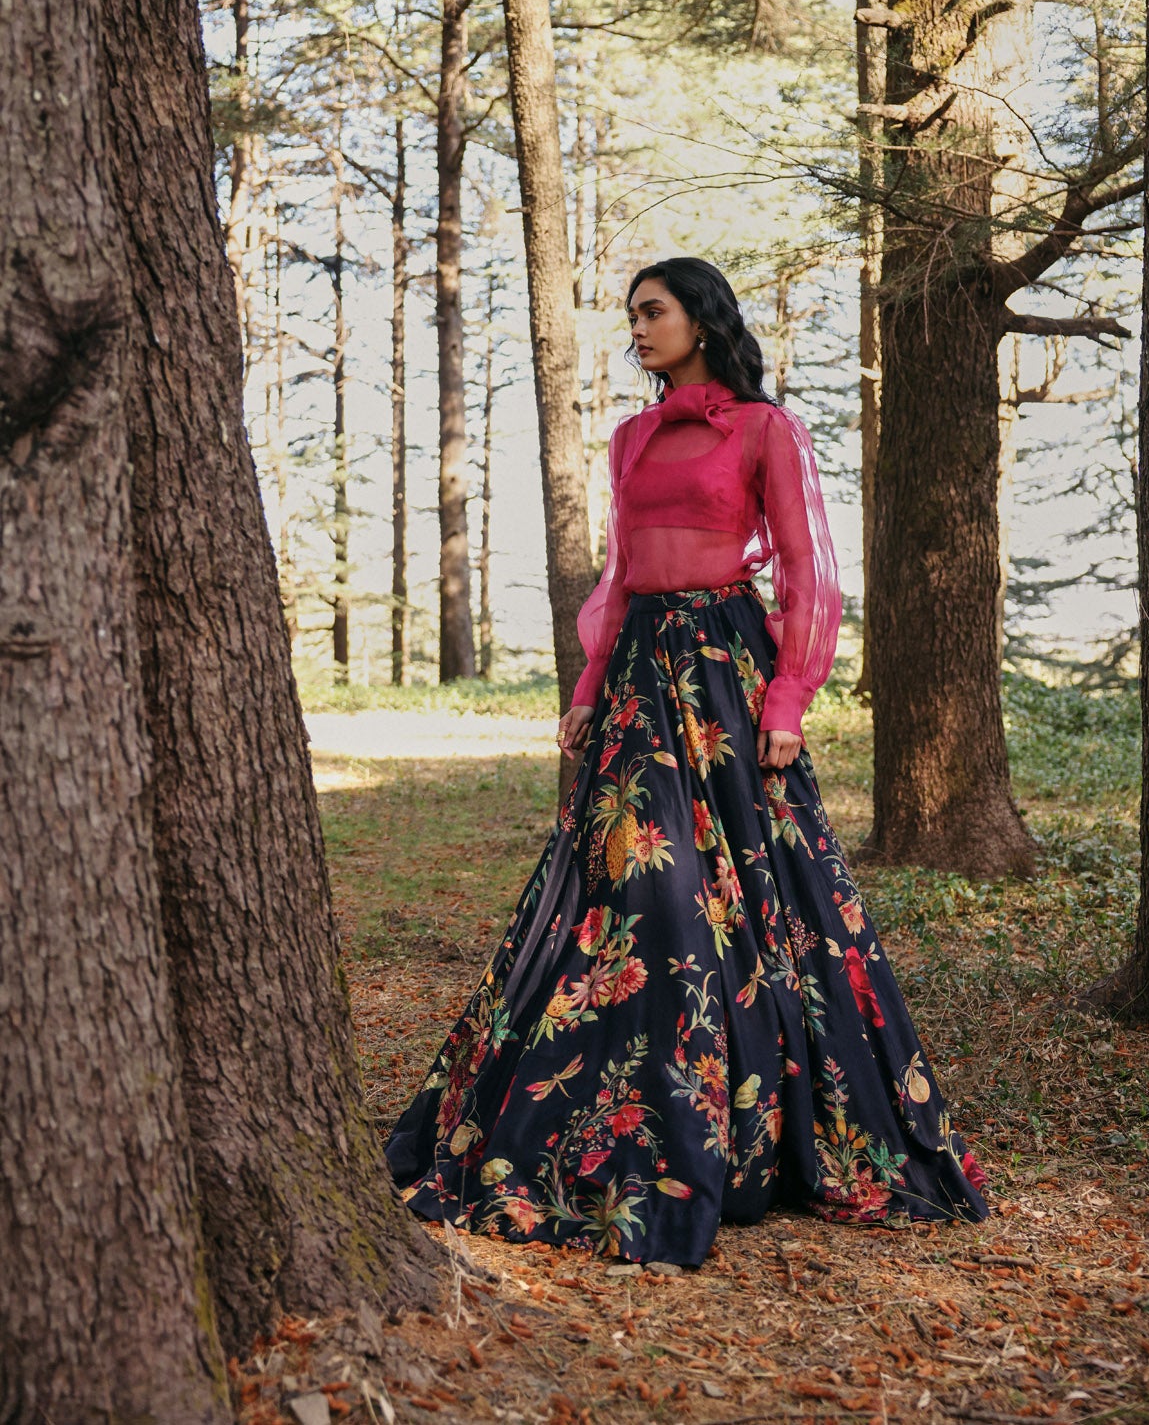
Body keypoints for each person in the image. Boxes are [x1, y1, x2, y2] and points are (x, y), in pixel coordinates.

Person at [384, 256, 988, 1263]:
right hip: (637, 673)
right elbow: (620, 576)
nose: (639, 328)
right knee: (631, 884)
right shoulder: (629, 436)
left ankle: (762, 1122)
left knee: (763, 886)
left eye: (654, 310)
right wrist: (584, 691)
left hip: (726, 670)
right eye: (632, 315)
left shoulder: (763, 428)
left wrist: (790, 692)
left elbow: (806, 566)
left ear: (701, 318)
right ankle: (636, 1116)